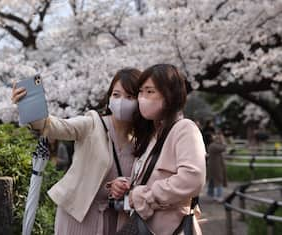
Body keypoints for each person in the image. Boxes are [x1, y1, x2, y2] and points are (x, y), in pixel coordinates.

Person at [12, 68, 141, 235]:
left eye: (129, 97)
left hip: (115, 217)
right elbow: (52, 126)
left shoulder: (142, 140)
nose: (121, 101)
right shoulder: (92, 124)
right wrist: (27, 106)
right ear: (109, 98)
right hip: (79, 214)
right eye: (116, 95)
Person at [110, 64, 206, 235]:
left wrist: (145, 195)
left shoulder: (184, 128)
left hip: (172, 228)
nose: (142, 98)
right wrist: (127, 185)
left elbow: (192, 178)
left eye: (150, 91)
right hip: (148, 226)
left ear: (169, 95)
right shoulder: (152, 134)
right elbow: (156, 176)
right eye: (141, 91)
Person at [207, 131, 227, 202]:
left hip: (214, 166)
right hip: (216, 167)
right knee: (219, 180)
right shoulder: (214, 146)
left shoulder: (213, 145)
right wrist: (223, 141)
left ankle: (212, 195)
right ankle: (219, 196)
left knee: (213, 181)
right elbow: (223, 148)